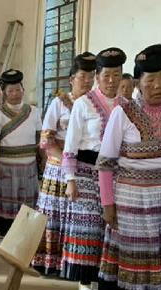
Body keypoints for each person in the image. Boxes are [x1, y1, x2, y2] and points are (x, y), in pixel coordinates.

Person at [96, 45, 161, 290]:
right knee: (134, 256)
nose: (158, 86)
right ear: (138, 83)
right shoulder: (122, 113)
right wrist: (108, 204)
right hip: (131, 200)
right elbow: (105, 163)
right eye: (150, 80)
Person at [62, 48, 124, 290]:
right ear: (97, 76)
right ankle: (84, 286)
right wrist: (70, 178)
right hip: (87, 172)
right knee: (88, 230)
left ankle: (103, 282)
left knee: (111, 230)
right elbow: (71, 143)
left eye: (116, 75)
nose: (111, 80)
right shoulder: (83, 104)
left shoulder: (126, 105)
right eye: (106, 75)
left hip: (117, 176)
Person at [33, 52, 96, 277]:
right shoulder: (59, 103)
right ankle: (51, 260)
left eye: (91, 76)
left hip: (86, 169)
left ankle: (76, 262)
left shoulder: (96, 104)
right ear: (71, 79)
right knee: (55, 215)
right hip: (58, 167)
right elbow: (46, 139)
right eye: (82, 76)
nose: (87, 81)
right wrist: (65, 160)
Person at [0, 69, 43, 235]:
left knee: (27, 200)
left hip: (28, 165)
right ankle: (7, 230)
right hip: (5, 165)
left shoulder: (34, 112)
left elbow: (40, 139)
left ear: (23, 91)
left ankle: (26, 230)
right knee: (7, 198)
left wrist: (43, 159)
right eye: (11, 90)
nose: (15, 94)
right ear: (4, 93)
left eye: (18, 89)